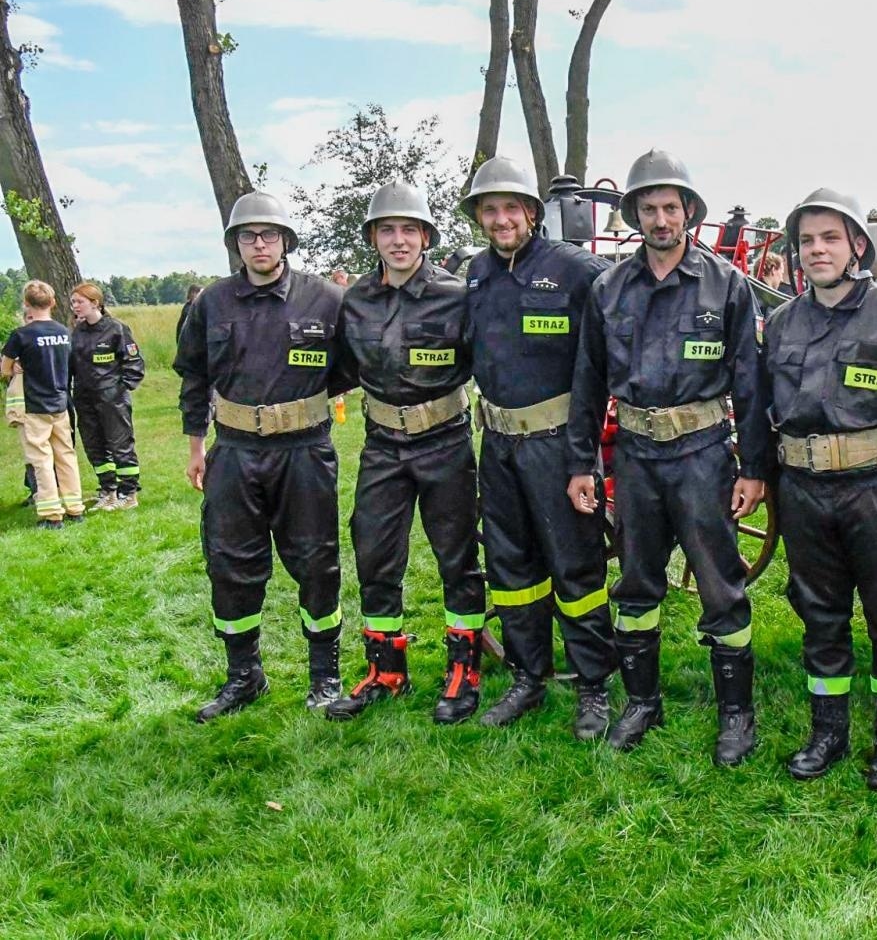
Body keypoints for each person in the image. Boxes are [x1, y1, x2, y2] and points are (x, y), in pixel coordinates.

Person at [567, 149, 771, 765]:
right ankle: (642, 701)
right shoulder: (609, 289)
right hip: (634, 456)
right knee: (635, 582)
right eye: (649, 208)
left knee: (722, 586)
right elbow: (587, 382)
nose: (661, 218)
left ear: (688, 212)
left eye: (671, 207)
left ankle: (737, 713)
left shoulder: (725, 284)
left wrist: (755, 469)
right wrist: (583, 462)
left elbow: (750, 382)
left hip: (703, 454)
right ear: (635, 216)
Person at [765, 187, 877, 789]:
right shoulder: (783, 324)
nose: (817, 250)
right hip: (804, 492)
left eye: (830, 238)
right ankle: (828, 732)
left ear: (857, 247)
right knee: (820, 616)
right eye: (808, 241)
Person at [174, 193, 346, 721]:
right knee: (230, 565)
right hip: (235, 452)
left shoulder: (324, 299)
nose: (259, 244)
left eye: (269, 235)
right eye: (248, 236)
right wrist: (196, 445)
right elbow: (194, 375)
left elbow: (352, 366)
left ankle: (325, 676)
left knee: (316, 562)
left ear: (286, 241)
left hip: (304, 451)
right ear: (235, 245)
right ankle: (244, 676)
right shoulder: (212, 303)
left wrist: (301, 404)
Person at [461, 157, 618, 736]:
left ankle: (593, 684)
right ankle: (529, 676)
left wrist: (585, 456)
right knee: (511, 566)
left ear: (532, 212)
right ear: (479, 216)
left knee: (576, 565)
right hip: (497, 445)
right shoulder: (476, 274)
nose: (502, 219)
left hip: (559, 446)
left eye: (512, 208)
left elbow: (619, 326)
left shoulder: (577, 269)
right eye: (490, 209)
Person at [325, 181, 486, 725]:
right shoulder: (357, 301)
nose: (398, 240)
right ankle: (384, 670)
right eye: (388, 230)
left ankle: (464, 669)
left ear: (425, 236)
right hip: (383, 446)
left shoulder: (455, 297)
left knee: (457, 556)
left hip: (444, 441)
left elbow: (485, 361)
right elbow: (338, 368)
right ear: (373, 237)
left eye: (409, 230)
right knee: (373, 551)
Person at [2, 280, 84, 529]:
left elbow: (4, 368)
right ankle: (75, 508)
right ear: (53, 302)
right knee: (66, 456)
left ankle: (51, 514)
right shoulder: (63, 331)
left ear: (26, 303)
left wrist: (16, 366)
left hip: (34, 405)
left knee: (41, 459)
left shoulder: (21, 335)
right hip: (60, 402)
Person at [68, 282, 144, 511]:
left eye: (79, 302)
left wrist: (120, 389)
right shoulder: (77, 332)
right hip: (84, 397)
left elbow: (134, 362)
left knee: (119, 444)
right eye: (73, 302)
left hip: (112, 398)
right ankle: (107, 490)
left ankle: (128, 493)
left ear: (95, 303)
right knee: (94, 445)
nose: (75, 306)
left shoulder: (117, 329)